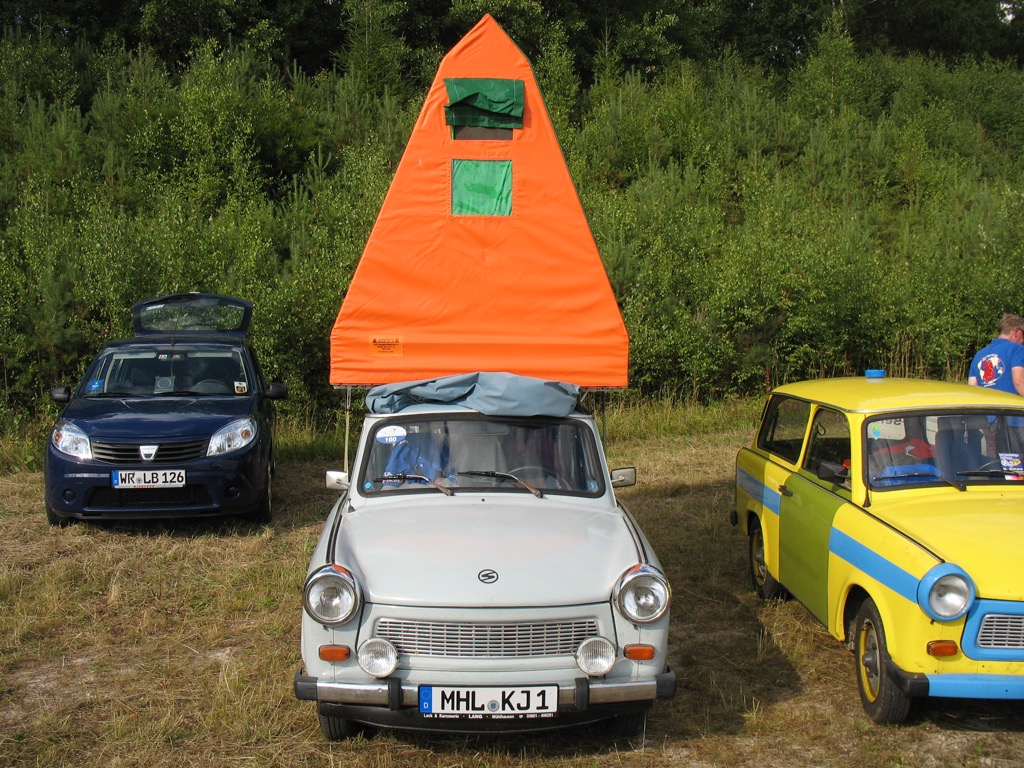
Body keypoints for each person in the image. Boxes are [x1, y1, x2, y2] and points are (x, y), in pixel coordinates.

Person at [968, 313, 1024, 395]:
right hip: (1010, 406)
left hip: (988, 406)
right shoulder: (1017, 349)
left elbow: (972, 390)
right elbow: (1019, 382)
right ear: (1016, 332)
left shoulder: (979, 355)